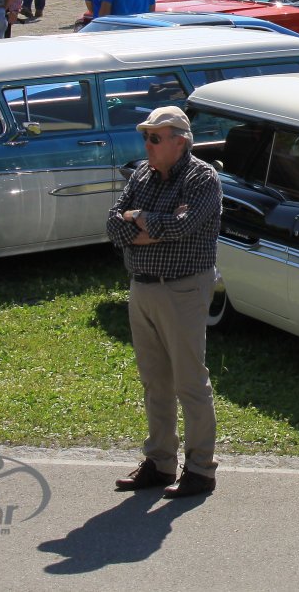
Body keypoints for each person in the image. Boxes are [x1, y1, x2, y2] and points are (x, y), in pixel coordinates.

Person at [108, 106, 223, 500]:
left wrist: (139, 218)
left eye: (155, 138)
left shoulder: (201, 178)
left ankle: (200, 470)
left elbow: (184, 226)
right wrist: (153, 223)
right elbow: (113, 226)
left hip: (183, 289)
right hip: (142, 287)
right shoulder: (142, 174)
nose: (147, 145)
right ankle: (159, 463)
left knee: (189, 381)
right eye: (145, 137)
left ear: (180, 141)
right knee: (154, 381)